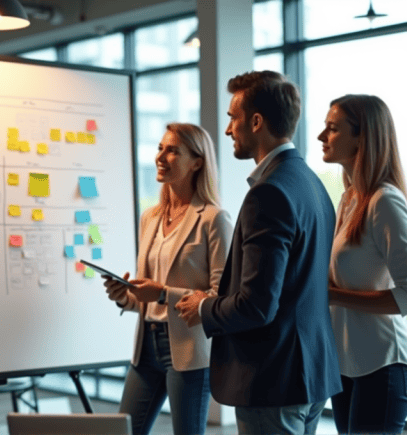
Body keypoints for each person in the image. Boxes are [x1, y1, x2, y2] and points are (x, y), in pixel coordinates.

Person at [176, 71, 342, 435]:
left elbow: (257, 305)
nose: (227, 130)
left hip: (274, 381)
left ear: (256, 121)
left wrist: (202, 307)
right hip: (311, 373)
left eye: (232, 118)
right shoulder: (312, 184)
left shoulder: (269, 194)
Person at [103, 123, 232, 435]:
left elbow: (220, 295)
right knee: (126, 430)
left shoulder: (214, 219)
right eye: (161, 148)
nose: (161, 156)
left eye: (173, 150)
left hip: (188, 347)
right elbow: (143, 295)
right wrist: (125, 295)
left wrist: (163, 294)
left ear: (197, 161)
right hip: (146, 343)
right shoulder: (150, 217)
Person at [318, 94, 407, 434]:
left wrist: (333, 296)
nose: (322, 137)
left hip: (385, 367)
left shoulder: (385, 201)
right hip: (347, 366)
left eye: (332, 129)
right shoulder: (350, 198)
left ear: (362, 137)